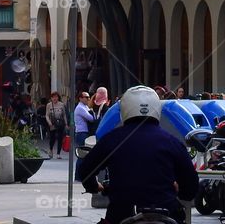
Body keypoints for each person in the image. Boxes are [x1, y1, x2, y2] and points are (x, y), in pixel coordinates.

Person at [76, 85, 199, 224]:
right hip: (167, 212)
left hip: (122, 213)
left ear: (124, 109)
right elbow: (191, 184)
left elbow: (85, 170)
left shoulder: (112, 139)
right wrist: (181, 190)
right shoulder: (172, 142)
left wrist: (93, 186)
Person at [73, 92, 96, 180]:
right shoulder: (80, 108)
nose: (88, 99)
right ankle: (78, 176)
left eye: (89, 97)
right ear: (80, 98)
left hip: (84, 133)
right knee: (82, 155)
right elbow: (91, 118)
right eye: (86, 97)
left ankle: (81, 175)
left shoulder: (85, 107)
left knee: (84, 155)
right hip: (81, 133)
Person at [45, 91, 68, 159]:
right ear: (51, 98)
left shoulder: (61, 104)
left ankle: (58, 153)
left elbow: (64, 115)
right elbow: (47, 115)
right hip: (52, 123)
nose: (55, 98)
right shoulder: (49, 105)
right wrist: (49, 122)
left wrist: (66, 124)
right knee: (53, 138)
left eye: (56, 97)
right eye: (53, 97)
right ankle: (51, 149)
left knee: (60, 138)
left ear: (58, 97)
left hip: (60, 123)